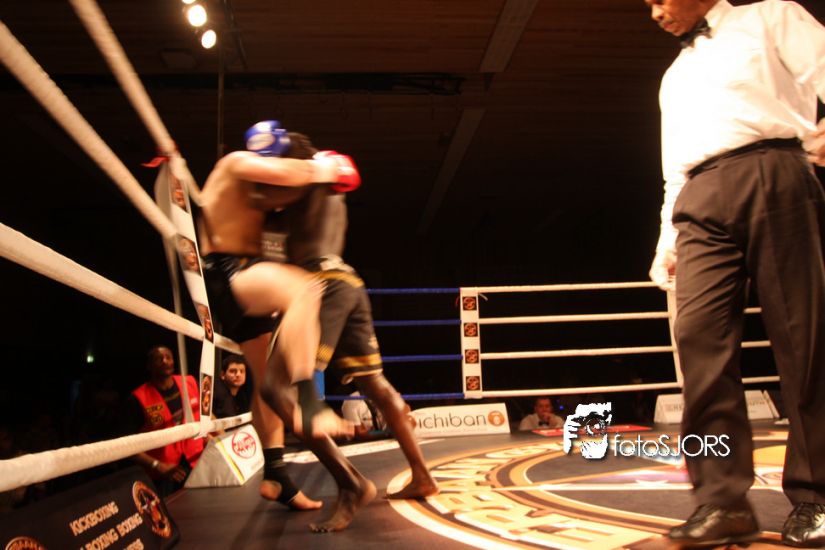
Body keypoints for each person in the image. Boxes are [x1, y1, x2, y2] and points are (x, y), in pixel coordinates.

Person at [644, 0, 825, 546]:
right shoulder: (674, 75)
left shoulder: (771, 17)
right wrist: (667, 239)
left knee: (803, 341)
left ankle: (818, 496)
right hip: (697, 197)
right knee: (697, 341)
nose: (655, 14)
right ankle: (722, 502)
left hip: (775, 169)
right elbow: (674, 166)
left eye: (659, 0)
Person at [199, 121, 375, 525]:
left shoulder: (253, 190)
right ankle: (311, 404)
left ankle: (276, 474)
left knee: (265, 382)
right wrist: (324, 166)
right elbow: (287, 175)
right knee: (305, 289)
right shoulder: (235, 162)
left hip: (242, 274)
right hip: (230, 269)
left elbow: (282, 193)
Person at [268, 133, 440, 511]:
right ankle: (422, 474)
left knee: (276, 388)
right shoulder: (330, 177)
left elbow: (268, 223)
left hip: (318, 284)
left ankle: (350, 483)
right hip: (347, 280)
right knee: (374, 382)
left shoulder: (300, 176)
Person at [128, 346, 205, 497]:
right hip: (162, 475)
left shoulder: (190, 382)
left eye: (168, 357)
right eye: (159, 359)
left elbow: (205, 413)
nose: (165, 361)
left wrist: (220, 438)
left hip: (197, 463)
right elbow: (128, 446)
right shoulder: (137, 398)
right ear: (149, 366)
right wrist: (157, 465)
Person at [212, 354, 251, 418]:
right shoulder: (215, 390)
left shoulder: (243, 396)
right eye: (233, 371)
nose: (238, 375)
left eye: (242, 371)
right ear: (223, 375)